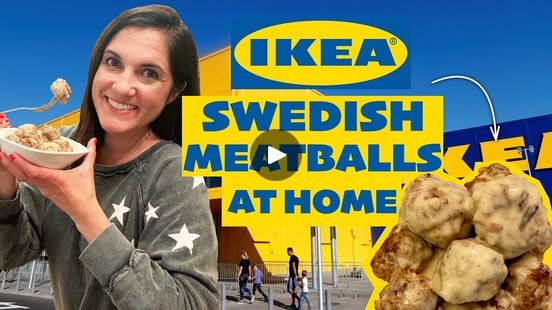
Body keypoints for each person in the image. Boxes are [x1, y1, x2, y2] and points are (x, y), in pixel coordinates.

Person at [0, 5, 218, 309]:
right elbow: (8, 253)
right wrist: (4, 180)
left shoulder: (174, 171)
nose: (122, 86)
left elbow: (195, 303)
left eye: (149, 73)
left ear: (173, 92)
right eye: (113, 62)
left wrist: (86, 214)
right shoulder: (59, 147)